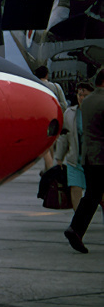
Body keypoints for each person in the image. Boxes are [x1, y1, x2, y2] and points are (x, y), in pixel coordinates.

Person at [64, 69, 104, 254]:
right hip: (101, 157)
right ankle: (75, 229)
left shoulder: (87, 101)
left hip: (89, 156)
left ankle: (76, 229)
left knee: (92, 195)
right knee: (94, 196)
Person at [58, 82, 94, 211]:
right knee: (75, 189)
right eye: (80, 95)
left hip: (94, 161)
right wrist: (59, 157)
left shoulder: (98, 111)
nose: (82, 98)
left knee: (99, 194)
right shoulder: (70, 113)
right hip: (75, 160)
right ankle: (78, 221)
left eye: (85, 95)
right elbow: (64, 136)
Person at [35, 67, 66, 172]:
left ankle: (49, 168)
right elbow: (64, 104)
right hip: (53, 119)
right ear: (47, 75)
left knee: (44, 146)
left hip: (39, 119)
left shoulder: (34, 86)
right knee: (50, 144)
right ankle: (48, 168)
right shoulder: (56, 87)